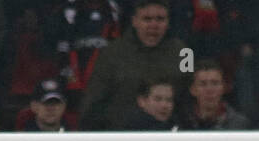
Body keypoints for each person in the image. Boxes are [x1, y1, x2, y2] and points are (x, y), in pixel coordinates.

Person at [78, 0, 185, 130]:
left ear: (168, 22)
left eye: (160, 19)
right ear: (134, 21)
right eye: (147, 19)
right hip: (122, 137)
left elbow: (190, 93)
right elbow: (93, 102)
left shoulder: (184, 52)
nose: (154, 25)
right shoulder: (112, 53)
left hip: (171, 136)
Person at [181, 59, 249, 130]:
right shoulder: (182, 123)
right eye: (203, 84)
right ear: (193, 90)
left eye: (215, 83)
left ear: (223, 88)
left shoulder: (239, 125)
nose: (209, 89)